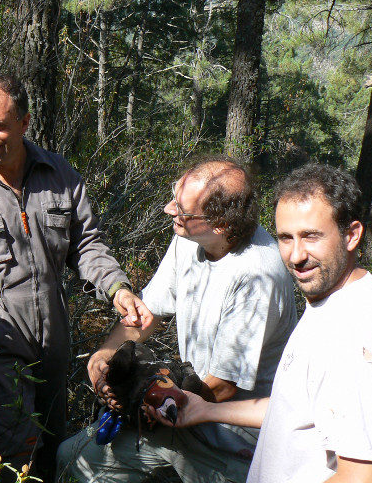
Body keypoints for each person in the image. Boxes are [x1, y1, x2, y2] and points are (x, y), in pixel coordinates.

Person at [0, 73, 153, 481]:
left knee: (53, 448)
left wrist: (117, 288)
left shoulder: (59, 174)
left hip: (53, 344)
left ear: (24, 123)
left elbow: (87, 244)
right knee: (12, 451)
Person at [156, 164, 372, 483]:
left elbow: (360, 478)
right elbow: (300, 409)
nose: (297, 255)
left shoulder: (351, 342)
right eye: (286, 238)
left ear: (352, 235)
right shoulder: (331, 303)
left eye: (311, 236)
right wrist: (205, 410)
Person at [57, 157, 298, 483]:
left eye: (182, 209)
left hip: (232, 440)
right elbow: (148, 313)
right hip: (181, 412)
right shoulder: (190, 238)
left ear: (221, 224)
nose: (170, 209)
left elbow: (224, 387)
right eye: (175, 197)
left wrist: (144, 401)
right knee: (72, 460)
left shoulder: (257, 274)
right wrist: (107, 354)